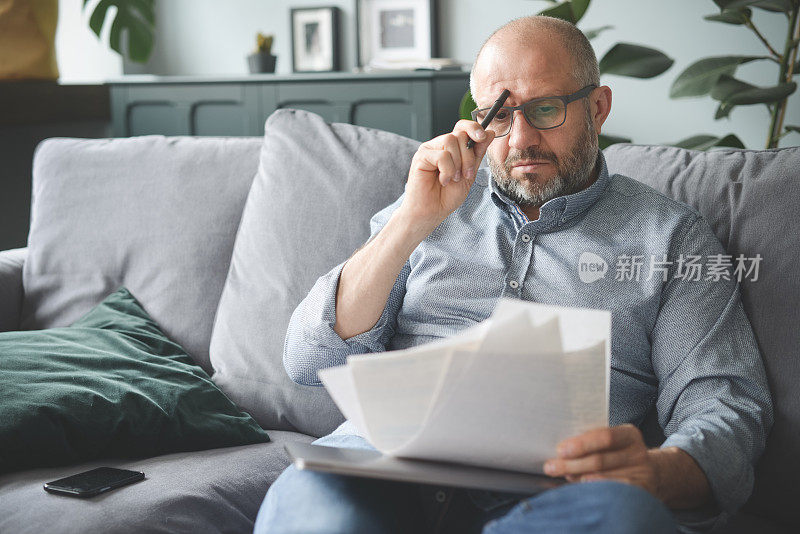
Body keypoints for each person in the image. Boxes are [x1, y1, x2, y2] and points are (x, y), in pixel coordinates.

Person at [254, 14, 772, 534]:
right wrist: (411, 220)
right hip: (376, 474)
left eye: (545, 109)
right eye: (499, 116)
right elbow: (308, 358)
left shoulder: (670, 239)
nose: (521, 138)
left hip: (553, 499)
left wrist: (657, 473)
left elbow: (725, 406)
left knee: (624, 516)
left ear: (598, 108)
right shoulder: (425, 208)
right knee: (307, 505)